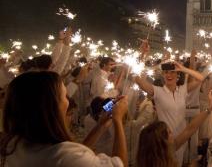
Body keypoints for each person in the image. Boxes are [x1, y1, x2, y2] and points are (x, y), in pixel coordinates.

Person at [0, 71, 128, 166]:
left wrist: (101, 125)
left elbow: (78, 152)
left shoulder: (12, 146)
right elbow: (119, 164)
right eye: (64, 95)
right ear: (50, 106)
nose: (68, 101)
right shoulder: (63, 156)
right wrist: (117, 120)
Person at [135, 53, 204, 167]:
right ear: (163, 74)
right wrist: (142, 54)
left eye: (172, 72)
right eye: (166, 72)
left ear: (177, 75)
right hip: (165, 140)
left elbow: (200, 78)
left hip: (182, 138)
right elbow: (137, 79)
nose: (169, 75)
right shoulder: (157, 91)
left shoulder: (182, 90)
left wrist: (183, 68)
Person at [136, 90, 212, 167]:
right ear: (162, 142)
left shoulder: (169, 148)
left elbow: (190, 128)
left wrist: (209, 108)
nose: (173, 135)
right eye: (169, 133)